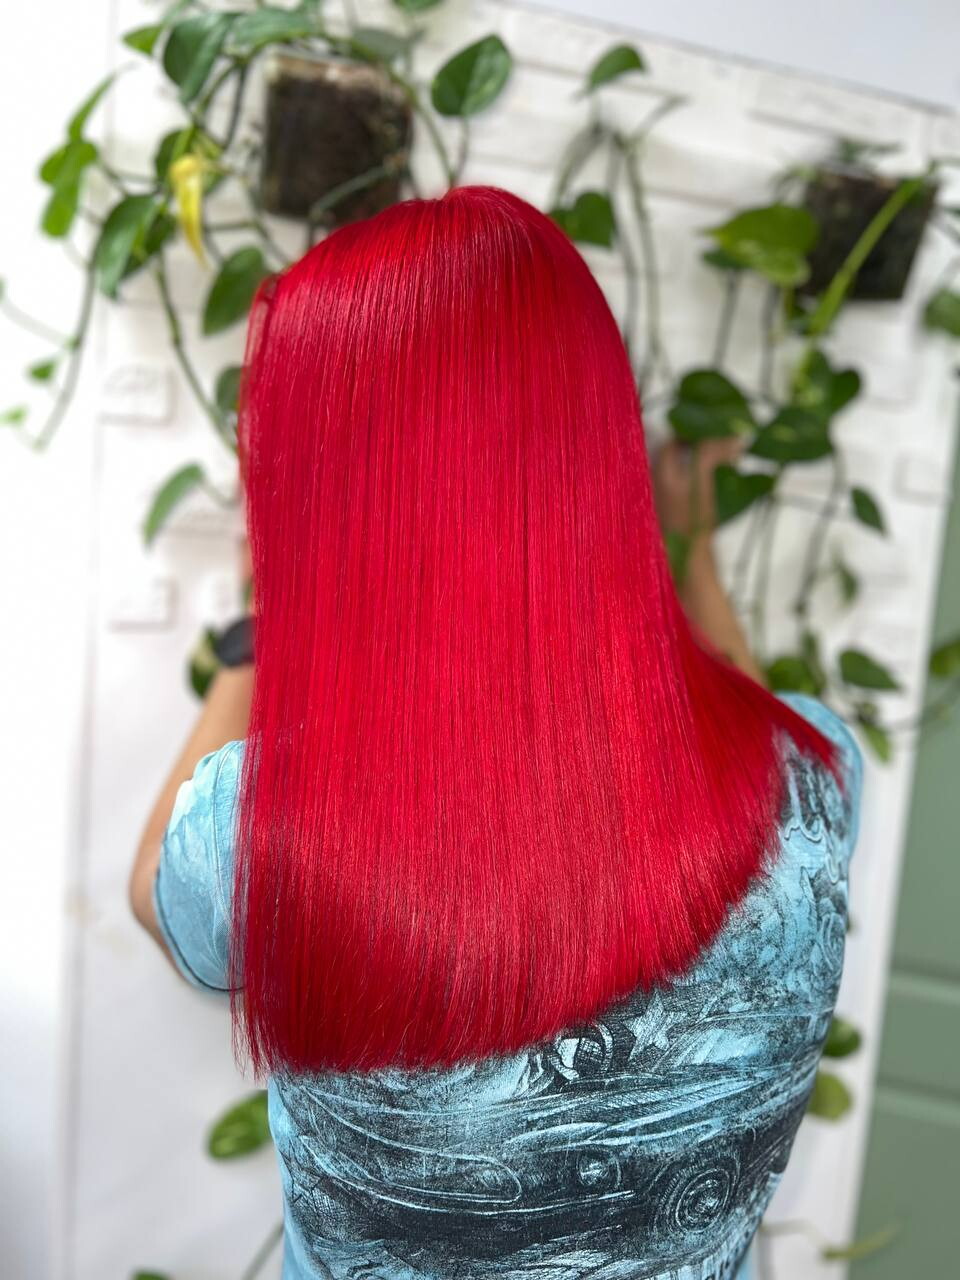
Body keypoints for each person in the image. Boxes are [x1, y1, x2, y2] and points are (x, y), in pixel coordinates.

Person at [130, 187, 861, 1280]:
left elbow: (153, 889)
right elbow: (740, 723)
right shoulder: (817, 773)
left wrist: (256, 638)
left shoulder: (261, 829)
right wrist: (696, 552)